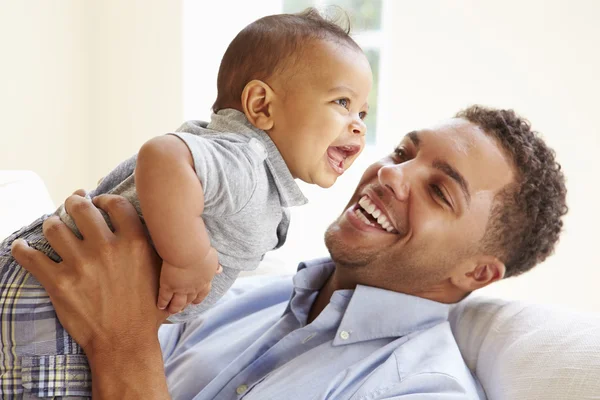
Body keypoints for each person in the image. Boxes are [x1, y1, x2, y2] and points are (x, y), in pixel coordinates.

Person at [12, 106, 567, 399]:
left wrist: (125, 348)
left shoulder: (418, 390)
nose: (389, 175)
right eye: (403, 152)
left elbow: (119, 341)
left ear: (477, 272)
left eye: (440, 191)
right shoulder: (239, 291)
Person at [0, 8, 372, 398]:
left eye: (363, 112)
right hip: (55, 293)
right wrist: (188, 258)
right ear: (261, 106)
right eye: (342, 102)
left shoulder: (253, 173)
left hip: (64, 289)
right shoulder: (246, 159)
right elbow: (162, 155)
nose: (358, 124)